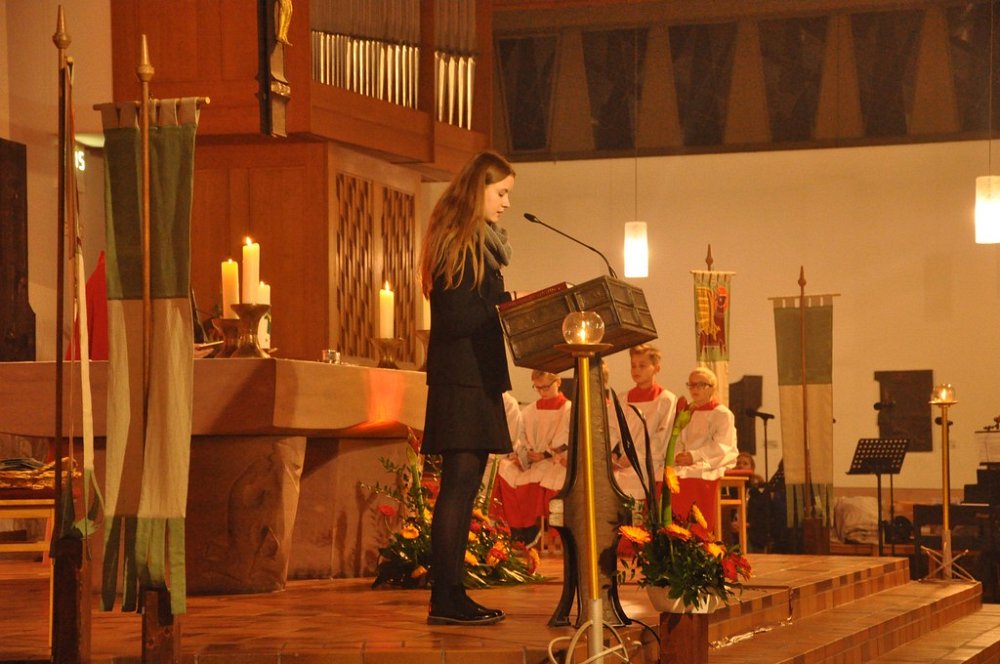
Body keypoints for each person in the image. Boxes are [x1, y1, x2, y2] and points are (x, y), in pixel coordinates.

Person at [419, 150, 516, 626]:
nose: (506, 203)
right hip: (461, 380)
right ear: (479, 189)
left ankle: (453, 593)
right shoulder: (458, 243)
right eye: (501, 193)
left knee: (464, 488)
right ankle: (446, 597)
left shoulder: (478, 244)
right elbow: (456, 317)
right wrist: (508, 304)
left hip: (474, 378)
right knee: (457, 490)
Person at [495, 370, 571, 544]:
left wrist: (544, 455)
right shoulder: (530, 410)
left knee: (541, 474)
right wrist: (524, 455)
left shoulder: (568, 409)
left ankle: (532, 527)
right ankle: (515, 528)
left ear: (558, 382)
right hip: (532, 461)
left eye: (545, 387)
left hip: (554, 461)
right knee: (505, 468)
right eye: (537, 388)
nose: (542, 392)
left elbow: (565, 440)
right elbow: (520, 437)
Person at [671, 366, 738, 534]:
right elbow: (677, 438)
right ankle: (672, 533)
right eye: (691, 385)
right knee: (665, 477)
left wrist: (694, 456)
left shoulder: (722, 414)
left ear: (712, 388)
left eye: (700, 385)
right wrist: (678, 455)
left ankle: (697, 534)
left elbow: (722, 445)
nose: (695, 389)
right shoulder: (687, 412)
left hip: (708, 461)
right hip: (685, 462)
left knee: (693, 476)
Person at [615, 344, 677, 499]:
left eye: (642, 366)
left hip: (649, 463)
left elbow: (662, 437)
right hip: (621, 463)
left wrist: (634, 457)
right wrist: (614, 454)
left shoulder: (666, 400)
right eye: (633, 366)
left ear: (657, 368)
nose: (636, 370)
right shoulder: (622, 399)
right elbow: (611, 430)